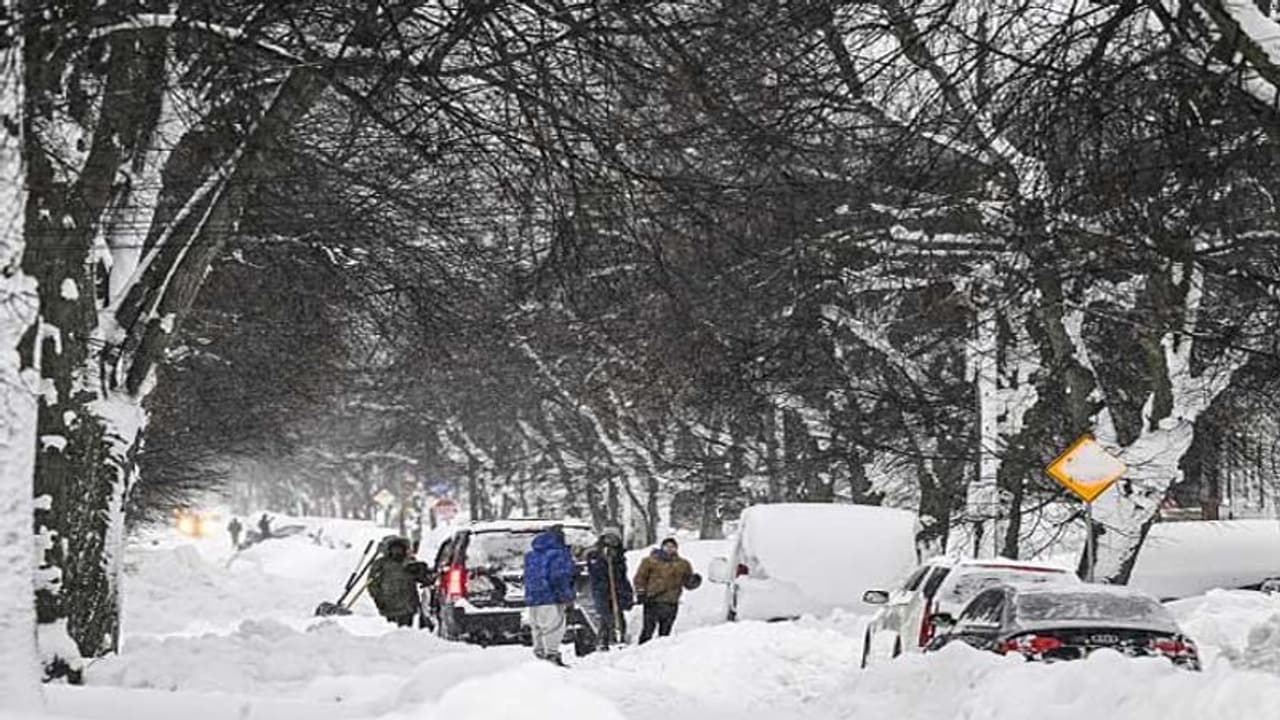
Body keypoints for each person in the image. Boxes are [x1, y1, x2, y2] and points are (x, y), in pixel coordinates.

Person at [523, 524, 578, 666]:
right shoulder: (558, 554)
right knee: (554, 627)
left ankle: (540, 656)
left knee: (537, 628)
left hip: (533, 597)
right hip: (551, 596)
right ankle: (551, 656)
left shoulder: (531, 555)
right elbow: (560, 577)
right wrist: (567, 597)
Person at [633, 537, 701, 644]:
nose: (669, 549)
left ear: (676, 549)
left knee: (665, 633)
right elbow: (640, 578)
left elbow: (687, 583)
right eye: (667, 546)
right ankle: (641, 651)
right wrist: (640, 592)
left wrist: (694, 581)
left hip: (671, 602)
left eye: (672, 547)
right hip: (653, 601)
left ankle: (661, 653)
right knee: (648, 630)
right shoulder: (650, 561)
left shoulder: (683, 564)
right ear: (662, 547)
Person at [585, 525, 634, 649]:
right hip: (602, 590)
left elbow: (622, 575)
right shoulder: (595, 554)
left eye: (614, 538)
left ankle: (619, 638)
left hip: (618, 589)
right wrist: (604, 559)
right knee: (606, 616)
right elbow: (595, 571)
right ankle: (605, 641)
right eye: (608, 538)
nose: (611, 541)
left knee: (618, 615)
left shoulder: (620, 556)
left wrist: (627, 592)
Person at [367, 535, 432, 627]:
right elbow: (372, 584)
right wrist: (379, 600)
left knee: (405, 630)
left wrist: (421, 571)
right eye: (394, 549)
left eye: (400, 549)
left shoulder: (410, 562)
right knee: (392, 630)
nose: (397, 552)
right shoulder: (381, 564)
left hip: (408, 605)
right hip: (389, 604)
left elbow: (421, 579)